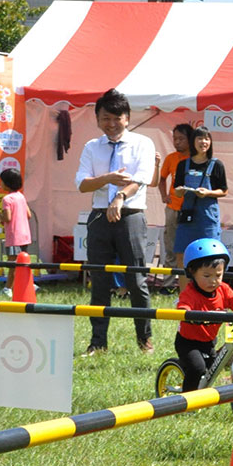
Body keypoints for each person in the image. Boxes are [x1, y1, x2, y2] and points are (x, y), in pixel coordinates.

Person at [75, 88, 156, 356]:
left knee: (137, 280)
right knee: (98, 280)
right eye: (105, 118)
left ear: (127, 118)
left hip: (131, 215)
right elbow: (82, 184)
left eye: (116, 118)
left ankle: (144, 340)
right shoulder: (91, 147)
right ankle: (98, 342)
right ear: (97, 118)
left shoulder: (143, 143)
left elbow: (142, 177)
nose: (110, 124)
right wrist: (107, 179)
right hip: (99, 216)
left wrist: (119, 196)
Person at [174, 239, 233, 393]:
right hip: (188, 342)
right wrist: (189, 314)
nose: (213, 281)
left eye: (218, 275)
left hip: (209, 341)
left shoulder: (223, 290)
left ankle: (204, 391)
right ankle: (185, 402)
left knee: (213, 369)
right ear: (192, 272)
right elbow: (183, 307)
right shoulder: (190, 293)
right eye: (206, 276)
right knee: (197, 368)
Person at [172, 126, 227, 285]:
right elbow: (176, 191)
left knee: (210, 255)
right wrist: (181, 191)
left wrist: (208, 193)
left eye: (207, 138)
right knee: (182, 254)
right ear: (193, 142)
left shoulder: (216, 165)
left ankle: (208, 293)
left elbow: (223, 191)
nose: (204, 142)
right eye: (200, 138)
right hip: (187, 215)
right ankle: (183, 295)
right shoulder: (183, 165)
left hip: (207, 217)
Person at [157, 123, 192, 288]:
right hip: (173, 209)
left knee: (189, 248)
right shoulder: (171, 158)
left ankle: (190, 284)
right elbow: (161, 178)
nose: (177, 142)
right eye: (175, 139)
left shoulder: (197, 158)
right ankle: (169, 285)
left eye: (181, 139)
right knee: (170, 246)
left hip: (192, 210)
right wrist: (164, 196)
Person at [0, 167, 32, 294]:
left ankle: (8, 288)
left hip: (14, 236)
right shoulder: (21, 197)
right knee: (23, 261)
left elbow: (7, 218)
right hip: (25, 235)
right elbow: (28, 215)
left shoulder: (7, 199)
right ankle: (28, 284)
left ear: (7, 183)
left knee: (12, 263)